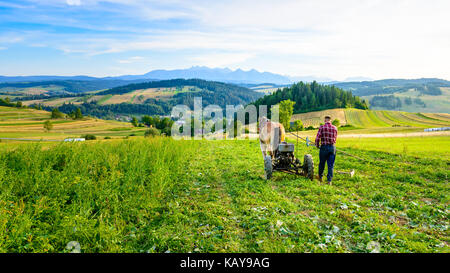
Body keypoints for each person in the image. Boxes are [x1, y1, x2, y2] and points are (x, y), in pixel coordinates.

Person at [315, 116, 338, 185]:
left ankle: (320, 178)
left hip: (324, 147)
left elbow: (317, 138)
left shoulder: (322, 127)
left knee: (322, 163)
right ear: (330, 120)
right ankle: (329, 181)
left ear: (325, 120)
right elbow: (335, 138)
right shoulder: (335, 128)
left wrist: (317, 145)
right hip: (332, 148)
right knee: (331, 165)